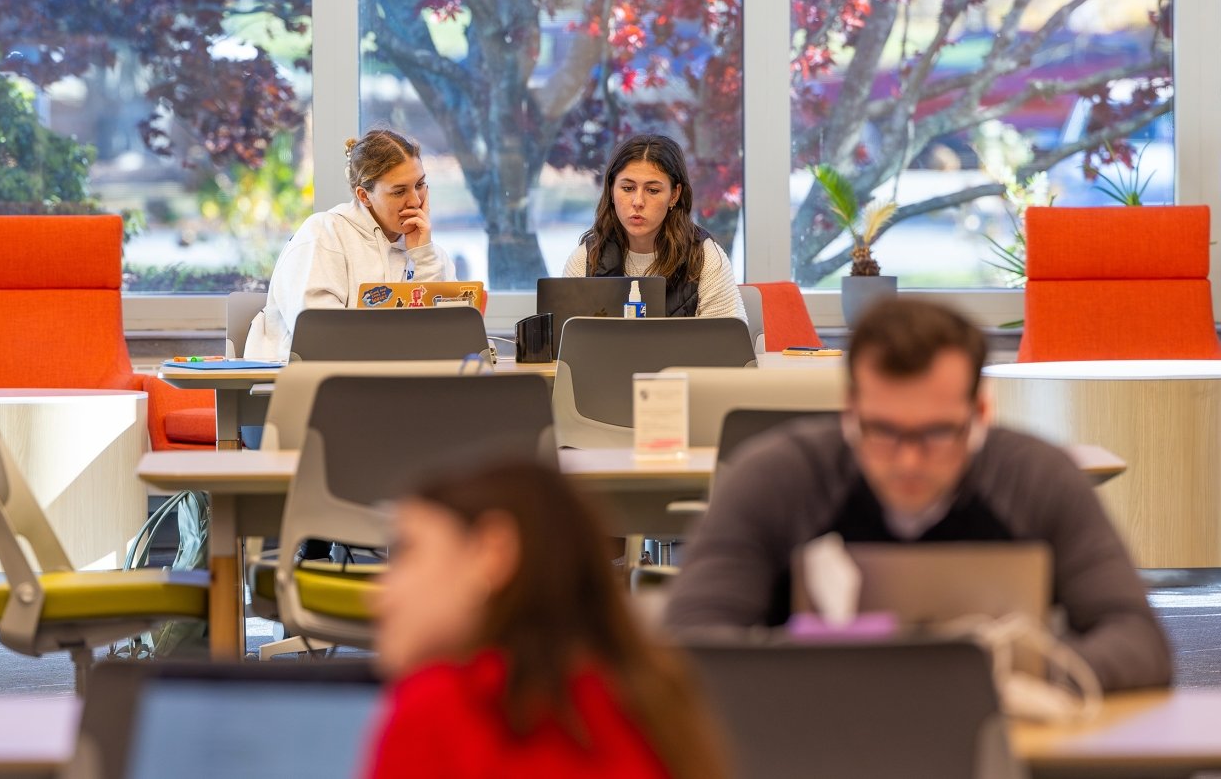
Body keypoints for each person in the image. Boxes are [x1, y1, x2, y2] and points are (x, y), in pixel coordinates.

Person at [663, 298, 1173, 692]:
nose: (908, 460)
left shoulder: (1037, 478)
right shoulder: (776, 479)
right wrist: (828, 678)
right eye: (882, 430)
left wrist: (1026, 681)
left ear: (981, 415)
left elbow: (1138, 639)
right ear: (849, 411)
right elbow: (688, 641)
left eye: (935, 433)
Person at [363, 459, 727, 779]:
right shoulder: (653, 702)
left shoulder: (440, 709)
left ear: (492, 553)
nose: (379, 594)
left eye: (405, 551)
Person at [244, 128, 455, 360]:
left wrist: (423, 256)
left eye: (420, 184)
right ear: (364, 196)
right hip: (320, 383)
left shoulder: (431, 252)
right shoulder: (323, 236)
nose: (415, 200)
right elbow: (320, 339)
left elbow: (446, 339)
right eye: (399, 191)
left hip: (400, 385)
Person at [563, 134, 745, 320]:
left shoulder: (703, 256)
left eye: (653, 190)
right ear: (611, 190)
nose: (638, 202)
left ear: (674, 195)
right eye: (627, 188)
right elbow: (565, 344)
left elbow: (728, 341)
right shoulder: (586, 258)